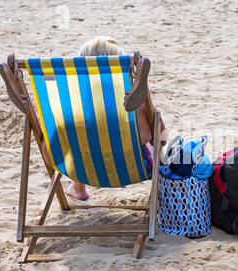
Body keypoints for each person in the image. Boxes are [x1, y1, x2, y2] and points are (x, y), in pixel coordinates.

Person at [65, 36, 167, 200]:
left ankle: (78, 188)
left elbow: (50, 153)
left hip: (87, 170)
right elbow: (161, 139)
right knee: (149, 145)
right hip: (132, 168)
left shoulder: (71, 105)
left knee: (78, 147)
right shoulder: (137, 103)